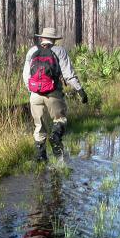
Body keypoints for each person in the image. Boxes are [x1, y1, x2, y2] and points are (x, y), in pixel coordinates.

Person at [23, 27, 88, 162]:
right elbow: (69, 75)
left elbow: (26, 76)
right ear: (54, 40)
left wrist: (32, 91)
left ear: (41, 38)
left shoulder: (32, 51)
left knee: (39, 127)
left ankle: (41, 160)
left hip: (35, 94)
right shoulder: (59, 51)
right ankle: (56, 141)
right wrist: (80, 91)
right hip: (53, 94)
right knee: (60, 120)